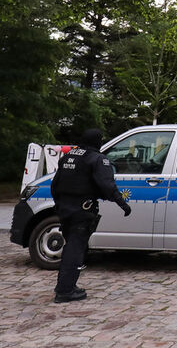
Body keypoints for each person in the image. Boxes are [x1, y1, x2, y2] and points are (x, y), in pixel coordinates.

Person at [49, 129, 132, 303]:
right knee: (75, 250)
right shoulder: (97, 159)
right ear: (98, 142)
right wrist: (122, 204)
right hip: (82, 210)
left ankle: (64, 284)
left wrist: (59, 204)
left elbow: (55, 184)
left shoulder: (70, 156)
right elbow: (107, 185)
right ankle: (65, 291)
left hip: (65, 209)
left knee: (71, 245)